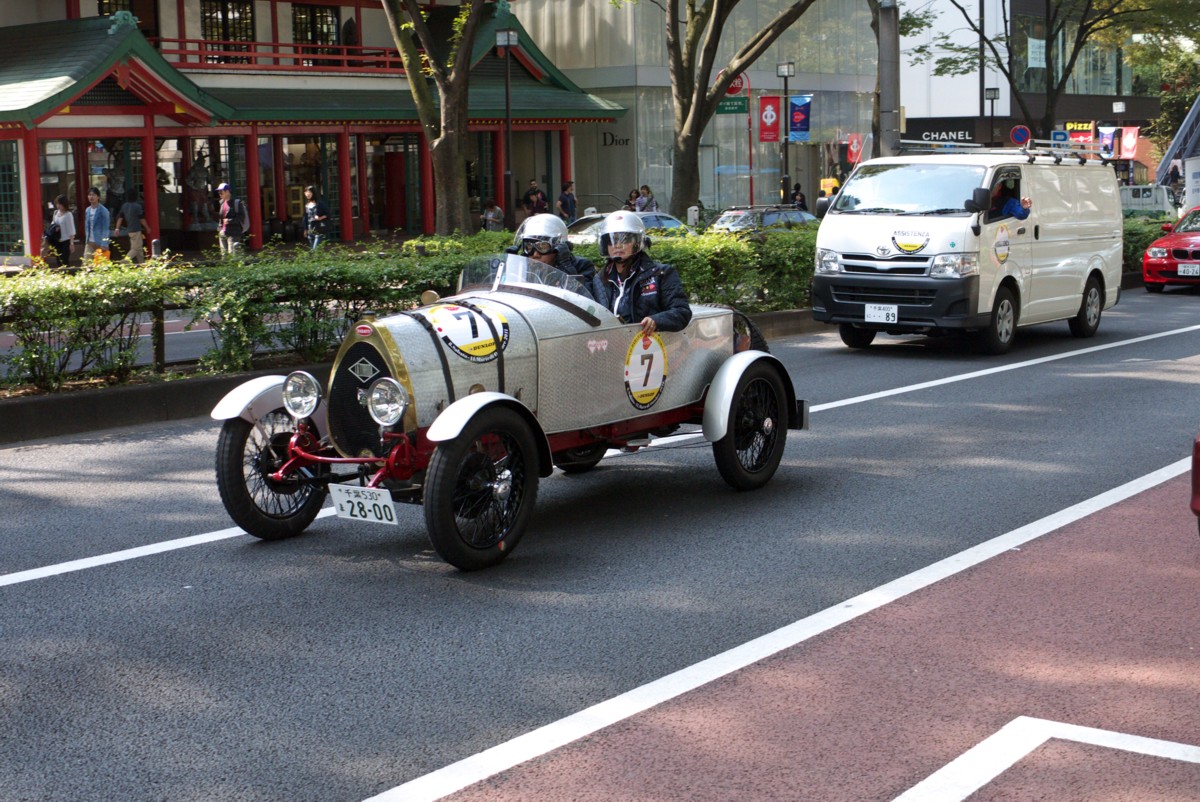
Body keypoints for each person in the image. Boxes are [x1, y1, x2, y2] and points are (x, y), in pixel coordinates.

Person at [589, 210, 691, 335]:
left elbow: (682, 312)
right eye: (612, 240)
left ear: (637, 242)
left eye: (624, 240)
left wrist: (656, 320)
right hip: (612, 347)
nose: (617, 245)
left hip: (648, 347)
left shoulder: (661, 274)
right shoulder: (600, 279)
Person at [509, 213, 595, 292]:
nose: (535, 255)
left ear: (559, 248)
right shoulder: (524, 268)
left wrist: (565, 265)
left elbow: (584, 299)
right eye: (529, 247)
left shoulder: (582, 266)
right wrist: (511, 265)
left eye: (542, 247)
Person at [114, 188, 148, 263]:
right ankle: (124, 261)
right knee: (136, 249)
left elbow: (120, 218)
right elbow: (141, 219)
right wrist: (147, 227)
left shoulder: (124, 206)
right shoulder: (137, 206)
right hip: (136, 230)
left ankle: (142, 264)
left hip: (129, 230)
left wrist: (117, 228)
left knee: (139, 249)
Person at [216, 181, 249, 255]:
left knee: (232, 253)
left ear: (227, 192)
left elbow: (241, 216)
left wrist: (229, 221)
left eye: (221, 192)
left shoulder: (236, 203)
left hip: (234, 233)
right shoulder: (221, 203)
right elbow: (221, 217)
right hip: (223, 232)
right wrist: (220, 227)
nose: (220, 194)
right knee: (224, 255)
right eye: (219, 193)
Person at [44, 195, 75, 268]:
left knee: (64, 261)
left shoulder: (68, 215)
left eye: (60, 204)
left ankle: (66, 275)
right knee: (58, 260)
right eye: (57, 204)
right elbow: (53, 224)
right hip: (57, 241)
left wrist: (72, 243)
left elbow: (71, 230)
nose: (58, 206)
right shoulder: (55, 213)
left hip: (66, 241)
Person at [81, 186, 111, 264]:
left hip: (100, 242)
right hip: (89, 242)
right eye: (90, 195)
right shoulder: (87, 210)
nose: (91, 197)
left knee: (100, 266)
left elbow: (106, 228)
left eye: (93, 195)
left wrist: (104, 243)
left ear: (98, 197)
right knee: (86, 264)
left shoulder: (104, 211)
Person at [302, 185, 331, 251]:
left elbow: (328, 214)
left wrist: (320, 218)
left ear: (313, 193)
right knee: (314, 251)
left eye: (309, 192)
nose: (307, 194)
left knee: (315, 250)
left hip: (318, 229)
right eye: (306, 192)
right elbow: (305, 218)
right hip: (310, 230)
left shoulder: (320, 204)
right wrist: (305, 230)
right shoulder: (306, 205)